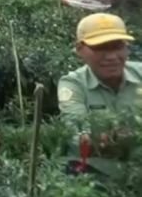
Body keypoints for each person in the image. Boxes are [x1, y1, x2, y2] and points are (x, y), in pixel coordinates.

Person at [58, 13, 140, 176]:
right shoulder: (73, 84)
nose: (111, 57)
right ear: (80, 50)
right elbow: (76, 133)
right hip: (97, 173)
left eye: (117, 46)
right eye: (100, 48)